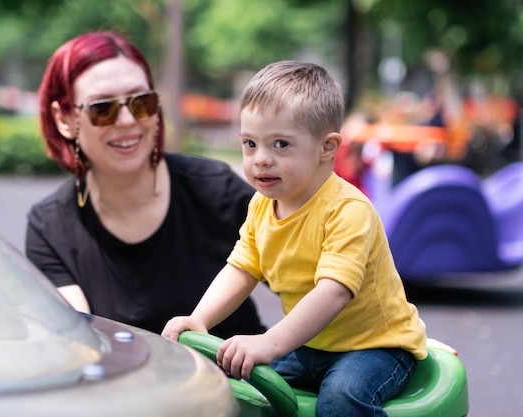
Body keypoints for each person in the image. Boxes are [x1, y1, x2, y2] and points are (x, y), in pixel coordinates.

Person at [162, 60, 427, 417]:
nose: (261, 160)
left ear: (327, 147)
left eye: (281, 144)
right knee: (243, 388)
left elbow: (332, 292)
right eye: (250, 143)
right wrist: (200, 319)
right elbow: (241, 268)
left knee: (341, 399)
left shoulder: (347, 210)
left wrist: (270, 342)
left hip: (375, 346)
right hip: (312, 344)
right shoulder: (262, 205)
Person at [25, 31, 265, 338]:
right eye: (102, 108)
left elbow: (309, 280)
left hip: (233, 384)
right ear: (64, 119)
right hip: (122, 385)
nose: (126, 120)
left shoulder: (216, 192)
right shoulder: (50, 227)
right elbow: (80, 343)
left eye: (142, 102)